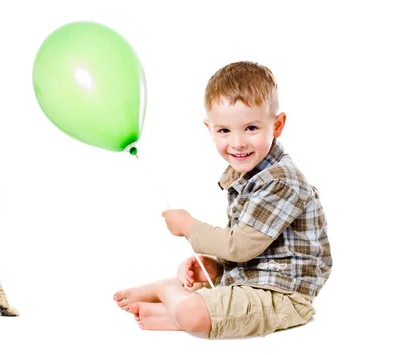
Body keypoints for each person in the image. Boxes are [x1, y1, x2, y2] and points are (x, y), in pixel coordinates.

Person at [113, 61, 332, 339]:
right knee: (197, 300)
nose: (238, 142)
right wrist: (217, 266)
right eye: (224, 131)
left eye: (251, 128)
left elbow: (240, 246)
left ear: (277, 125)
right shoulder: (247, 174)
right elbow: (250, 244)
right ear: (210, 128)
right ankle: (178, 311)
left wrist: (190, 227)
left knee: (193, 313)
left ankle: (166, 292)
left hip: (285, 295)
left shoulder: (280, 181)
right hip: (253, 281)